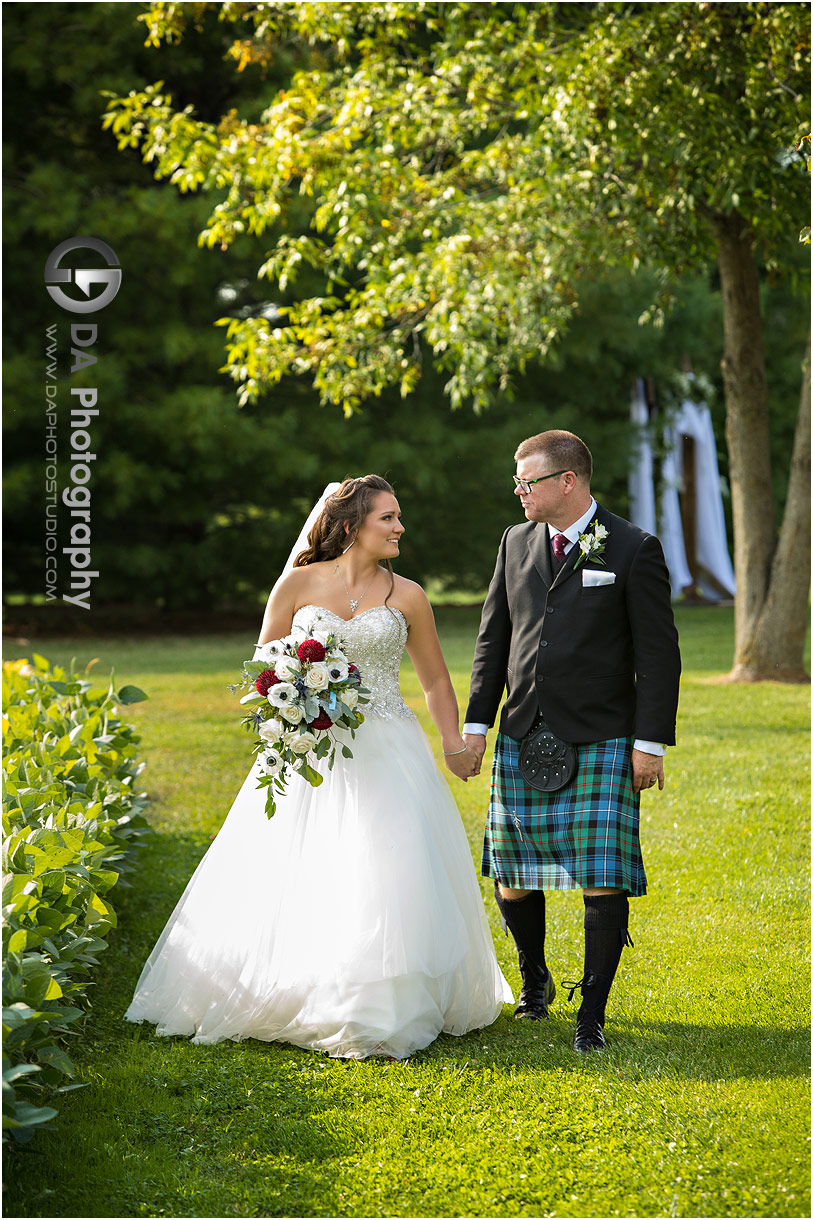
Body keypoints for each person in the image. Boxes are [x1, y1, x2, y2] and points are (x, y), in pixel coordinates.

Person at [126, 475, 512, 1060]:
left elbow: (434, 677)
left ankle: (380, 1003)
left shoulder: (407, 595)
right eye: (389, 518)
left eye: (399, 517)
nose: (400, 527)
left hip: (389, 748)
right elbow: (265, 666)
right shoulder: (297, 584)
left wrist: (453, 740)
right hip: (309, 750)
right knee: (302, 862)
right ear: (353, 526)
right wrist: (290, 701)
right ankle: (286, 985)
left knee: (389, 866)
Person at [463, 430, 681, 1052]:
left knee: (602, 874)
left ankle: (594, 1011)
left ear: (568, 482)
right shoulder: (515, 542)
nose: (518, 490)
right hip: (523, 728)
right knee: (510, 870)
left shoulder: (634, 548)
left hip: (603, 733)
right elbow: (492, 641)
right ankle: (536, 981)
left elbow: (659, 656)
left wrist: (651, 743)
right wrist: (478, 727)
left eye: (527, 481)